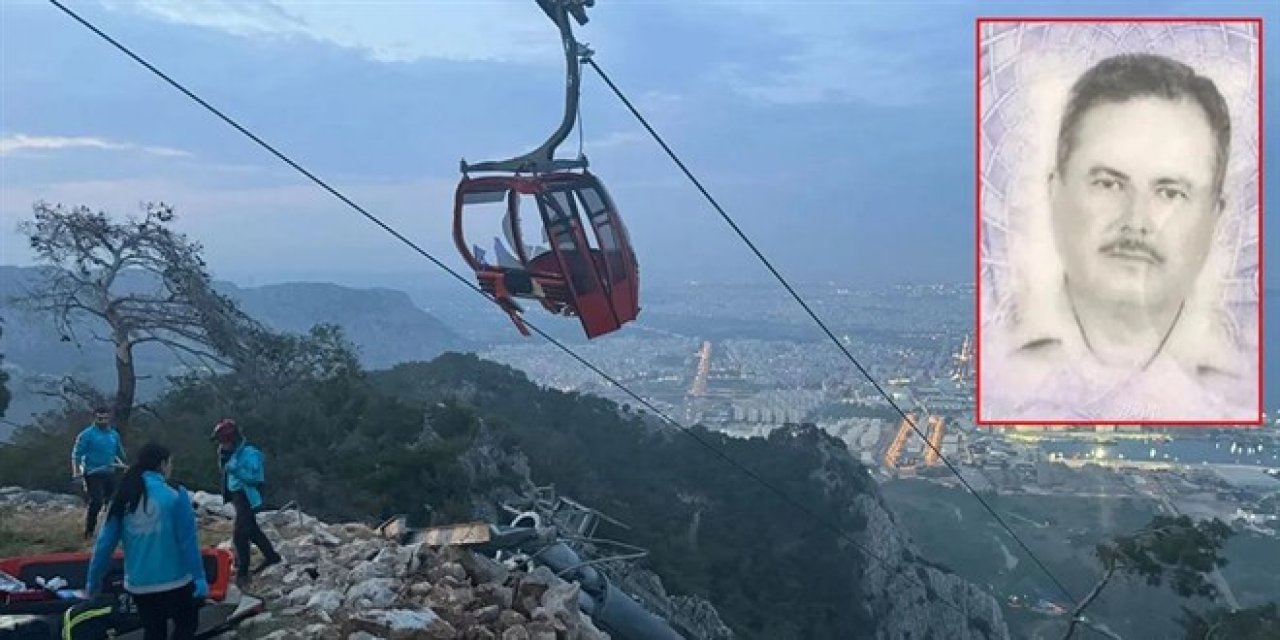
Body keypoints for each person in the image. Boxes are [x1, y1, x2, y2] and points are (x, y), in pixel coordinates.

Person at [981, 52, 1256, 421]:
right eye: (1108, 183)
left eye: (1170, 192)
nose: (1136, 221)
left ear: (1215, 216)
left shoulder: (1236, 387)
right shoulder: (1001, 364)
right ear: (1054, 191)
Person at [85, 442, 207, 640]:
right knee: (187, 625)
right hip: (176, 581)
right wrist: (199, 578)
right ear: (162, 465)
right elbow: (188, 541)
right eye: (170, 464)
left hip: (139, 584)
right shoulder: (175, 494)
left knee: (153, 631)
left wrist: (93, 581)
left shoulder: (123, 496)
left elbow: (104, 545)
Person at [211, 419, 281, 589]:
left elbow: (256, 478)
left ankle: (243, 572)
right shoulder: (225, 454)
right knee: (251, 530)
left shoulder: (250, 453)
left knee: (240, 533)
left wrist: (237, 470)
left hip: (248, 496)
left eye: (224, 441)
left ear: (232, 439)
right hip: (236, 495)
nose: (222, 445)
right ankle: (271, 556)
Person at [71, 406, 127, 539]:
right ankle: (89, 531)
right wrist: (76, 472)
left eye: (105, 418)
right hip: (93, 472)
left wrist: (124, 464)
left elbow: (119, 452)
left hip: (110, 471)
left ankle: (113, 532)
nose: (103, 421)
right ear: (95, 418)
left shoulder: (114, 434)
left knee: (114, 502)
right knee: (96, 501)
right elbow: (77, 455)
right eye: (100, 418)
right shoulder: (86, 435)